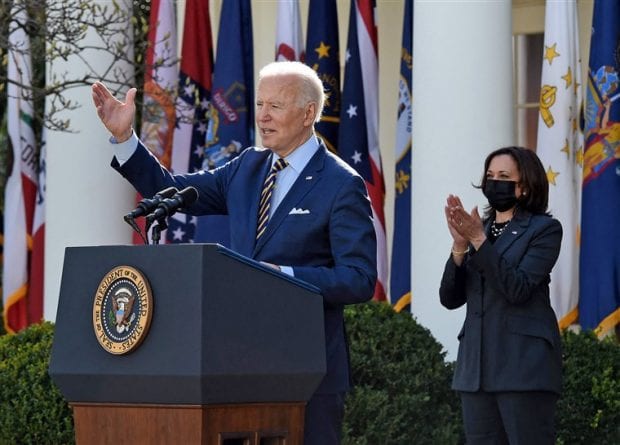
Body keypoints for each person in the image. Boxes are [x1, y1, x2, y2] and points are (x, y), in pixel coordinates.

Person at [92, 61, 377, 445]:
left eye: (275, 106)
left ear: (308, 113)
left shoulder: (341, 184)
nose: (262, 116)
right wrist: (126, 138)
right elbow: (169, 190)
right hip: (240, 367)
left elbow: (359, 279)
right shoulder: (248, 166)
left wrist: (284, 276)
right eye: (259, 104)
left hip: (308, 372)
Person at [439, 146, 563, 444]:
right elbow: (450, 298)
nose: (495, 182)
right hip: (476, 372)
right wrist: (459, 246)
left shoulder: (544, 230)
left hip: (522, 368)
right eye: (490, 176)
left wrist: (478, 240)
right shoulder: (478, 231)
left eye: (504, 176)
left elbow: (517, 288)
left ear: (524, 186)